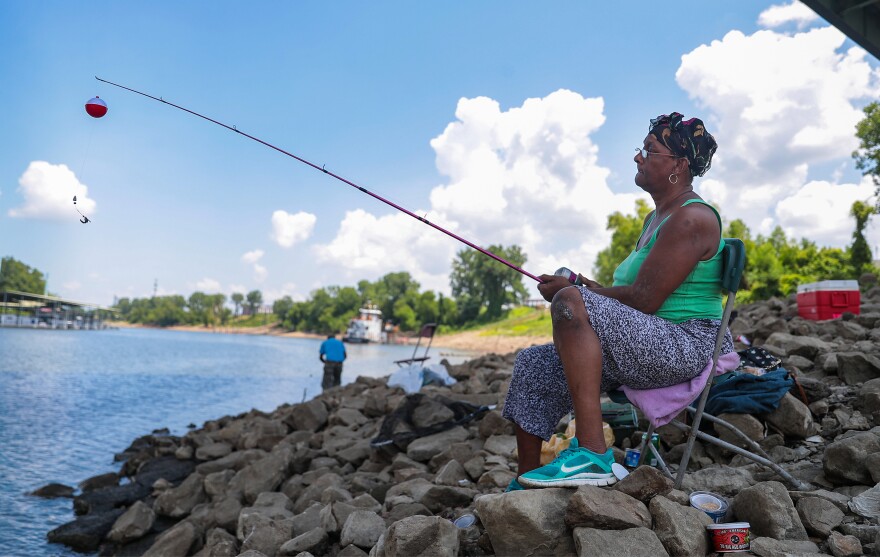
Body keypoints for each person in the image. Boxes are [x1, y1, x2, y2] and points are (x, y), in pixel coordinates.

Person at [502, 112, 734, 491]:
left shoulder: (693, 218)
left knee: (568, 301)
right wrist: (581, 285)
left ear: (679, 164)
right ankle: (525, 481)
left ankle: (592, 453)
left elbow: (644, 300)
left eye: (649, 150)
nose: (638, 157)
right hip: (648, 342)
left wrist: (574, 293)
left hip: (687, 344)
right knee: (534, 365)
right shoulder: (655, 219)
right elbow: (632, 297)